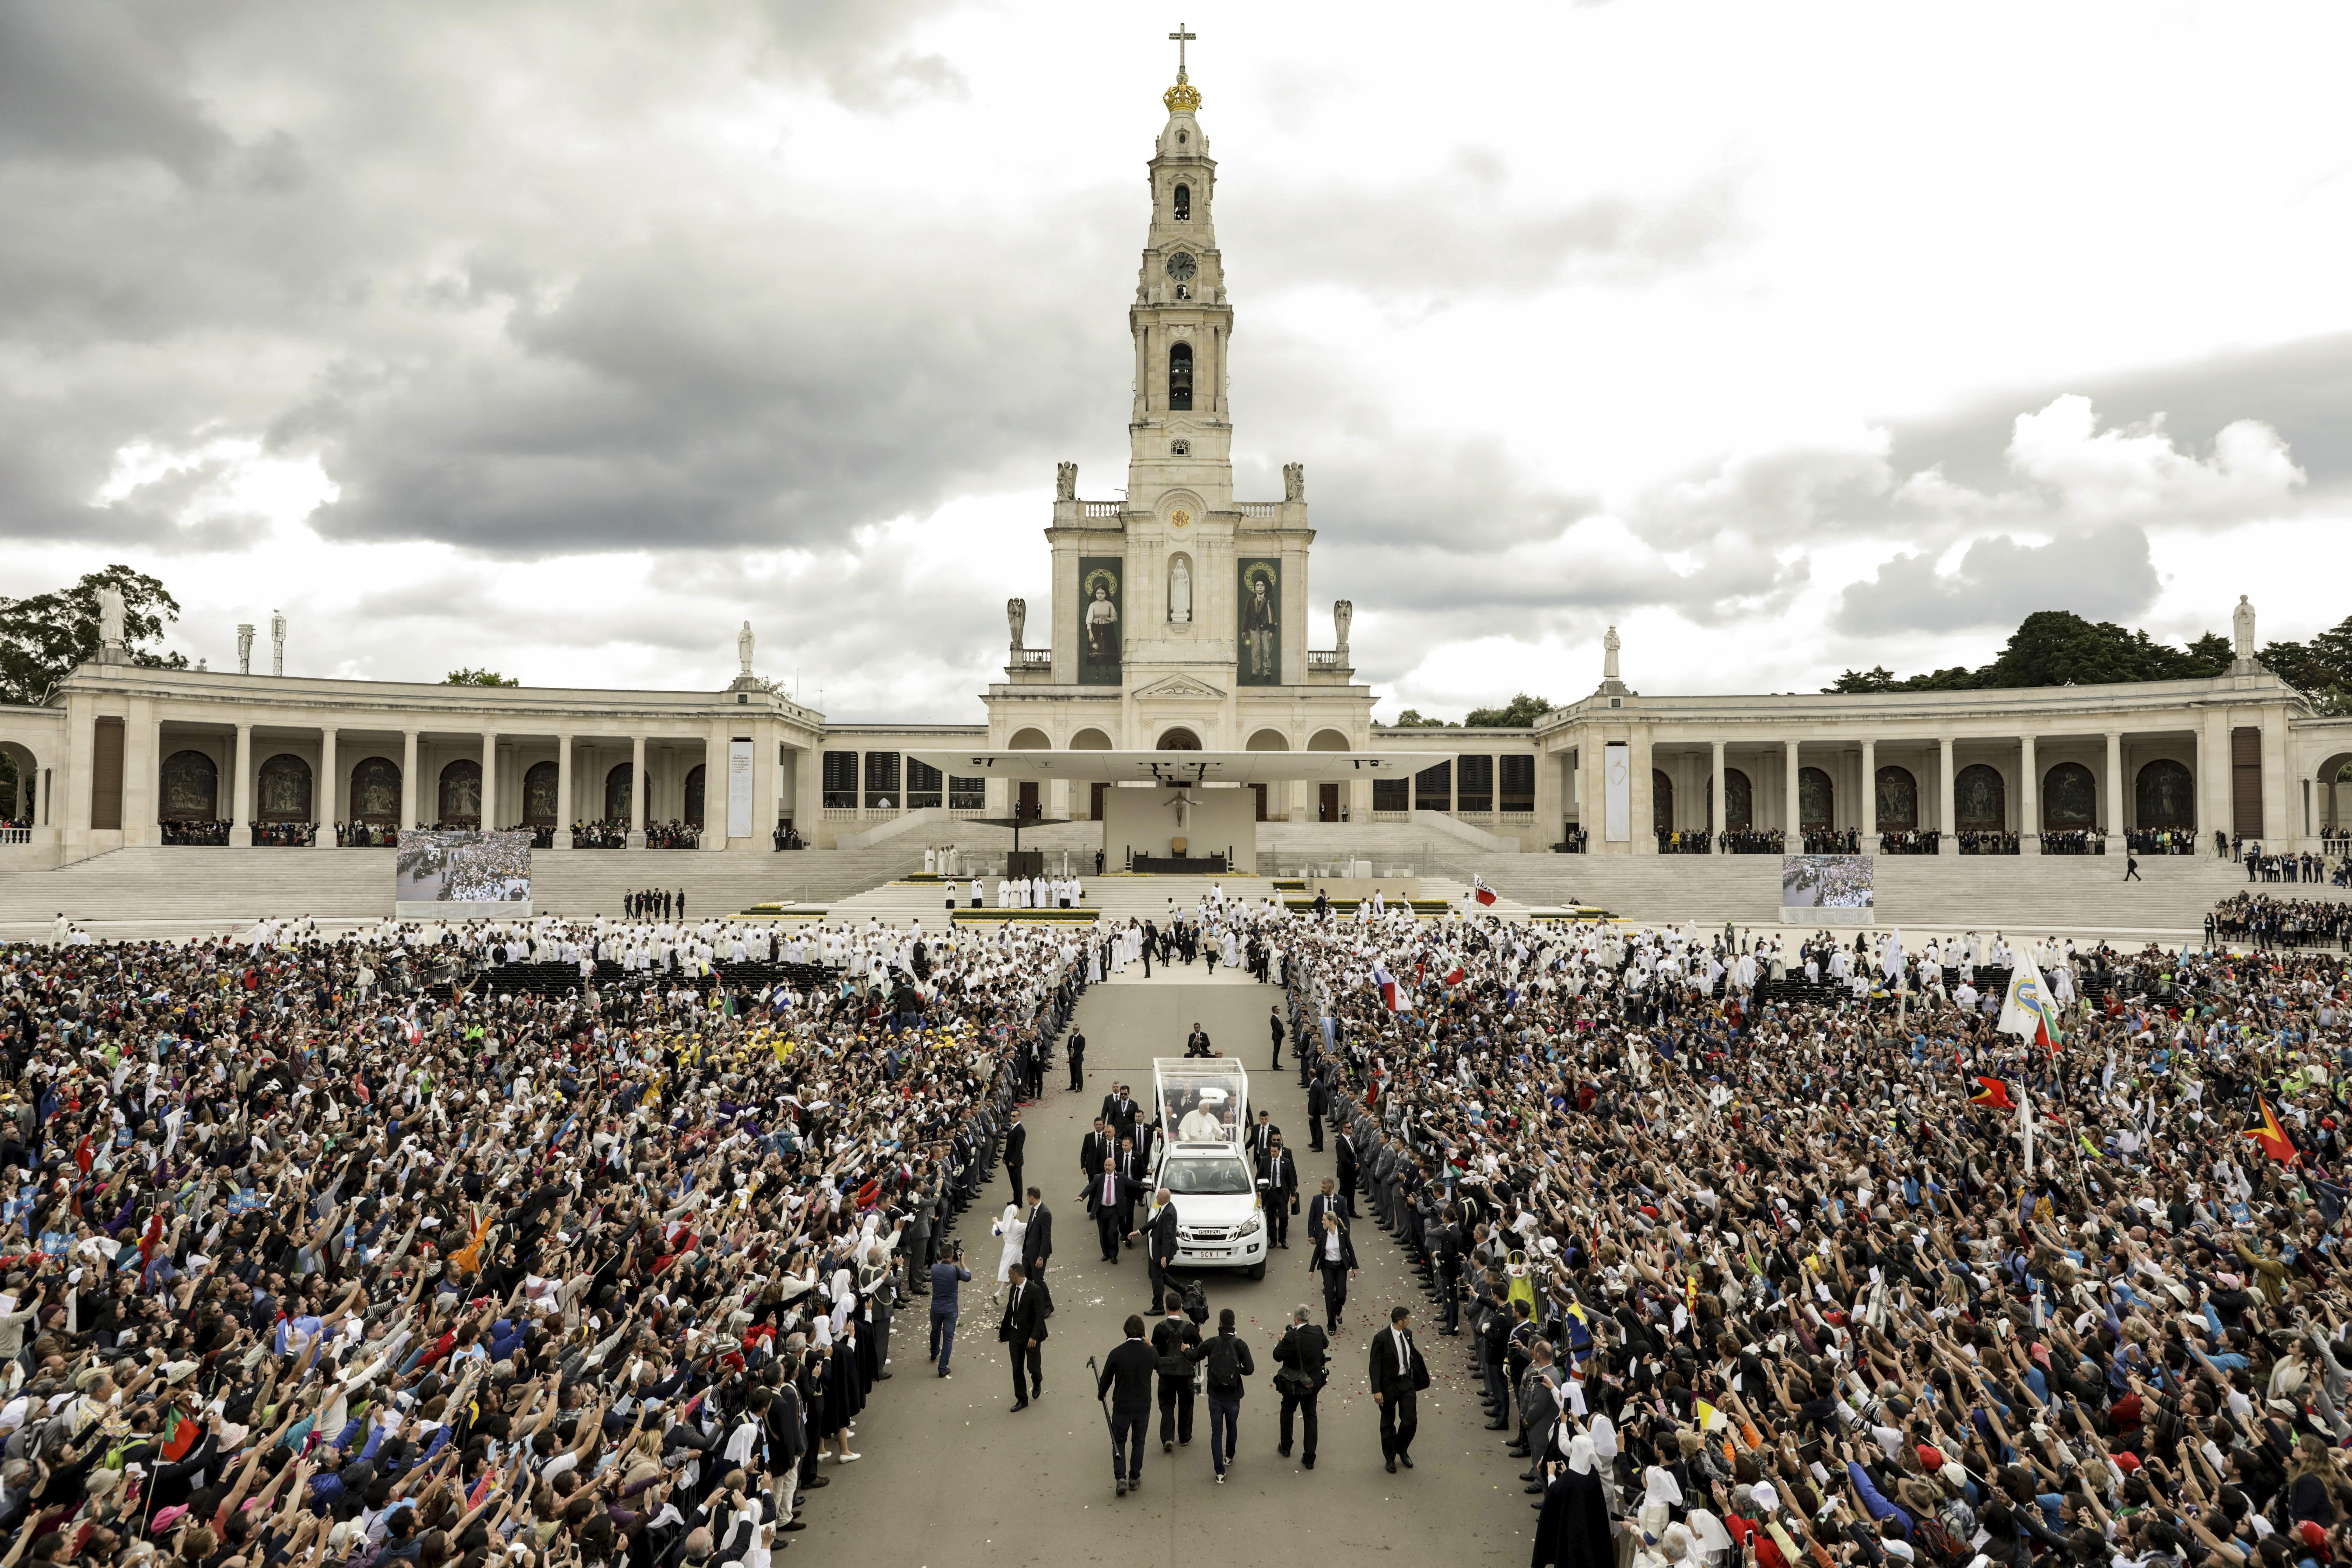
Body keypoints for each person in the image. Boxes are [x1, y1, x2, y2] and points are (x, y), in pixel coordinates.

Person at [1096, 1314, 1159, 1497]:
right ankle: (1134, 1477)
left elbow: (1106, 1379)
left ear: (1125, 1331)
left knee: (1119, 1442)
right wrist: (1150, 1345)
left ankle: (1120, 1478)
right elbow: (1160, 1365)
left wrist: (1101, 1394)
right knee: (1139, 1442)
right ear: (1143, 1332)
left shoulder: (1117, 1353)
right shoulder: (1150, 1353)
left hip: (1122, 1406)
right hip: (1143, 1406)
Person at [1198, 1307, 1255, 1484]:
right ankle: (1229, 1457)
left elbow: (1193, 1356)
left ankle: (1220, 1472)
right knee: (1232, 1426)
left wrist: (1186, 1348)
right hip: (1233, 1395)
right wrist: (1238, 1373)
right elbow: (1250, 1369)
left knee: (1217, 1432)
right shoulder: (1240, 1345)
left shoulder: (1211, 1343)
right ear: (1234, 1324)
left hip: (1215, 1395)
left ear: (1220, 1323)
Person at [1368, 1304, 1427, 1473]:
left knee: (1410, 1420)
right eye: (1408, 1320)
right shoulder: (1381, 1338)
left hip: (1406, 1383)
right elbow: (1374, 1366)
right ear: (1400, 1322)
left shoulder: (1408, 1334)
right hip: (1388, 1386)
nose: (1411, 1322)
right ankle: (1390, 1457)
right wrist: (1376, 1390)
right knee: (1388, 1423)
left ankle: (1402, 1449)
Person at [1271, 1304, 1329, 1468]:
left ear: (1296, 1319)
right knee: (1311, 1417)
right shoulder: (1318, 1331)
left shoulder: (1291, 1336)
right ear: (1308, 1317)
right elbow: (1326, 1344)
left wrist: (1282, 1341)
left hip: (1294, 1385)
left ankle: (1286, 1446)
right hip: (1312, 1384)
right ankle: (1310, 1458)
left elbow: (1277, 1356)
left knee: (1288, 1411)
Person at [1150, 1288, 1200, 1452]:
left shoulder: (1160, 1328)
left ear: (1166, 1307)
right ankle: (1185, 1437)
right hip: (1185, 1374)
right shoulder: (1190, 1328)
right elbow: (1199, 1352)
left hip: (1166, 1374)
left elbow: (1155, 1351)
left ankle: (1167, 1438)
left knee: (1167, 1406)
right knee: (1186, 1405)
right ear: (1181, 1307)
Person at [999, 1262, 1049, 1410]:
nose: (1008, 1277)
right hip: (1015, 1334)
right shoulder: (1014, 1289)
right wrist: (1003, 1332)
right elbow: (1011, 1310)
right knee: (1017, 1368)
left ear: (1016, 1275)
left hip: (1030, 1336)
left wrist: (1034, 1337)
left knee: (1033, 1366)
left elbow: (1040, 1315)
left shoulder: (1035, 1290)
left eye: (1010, 1275)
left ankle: (1037, 1379)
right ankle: (1022, 1399)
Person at [1310, 1205, 1359, 1331]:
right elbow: (1317, 1252)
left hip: (1341, 1267)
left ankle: (1338, 1311)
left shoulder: (1343, 1233)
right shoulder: (1323, 1234)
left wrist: (1354, 1267)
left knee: (1341, 1295)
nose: (1322, 1222)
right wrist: (1311, 1269)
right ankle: (1331, 1324)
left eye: (1324, 1220)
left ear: (1331, 1222)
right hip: (1328, 1267)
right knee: (1329, 1296)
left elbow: (1351, 1249)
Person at [930, 1240, 972, 1377]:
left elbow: (943, 1268)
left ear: (941, 1255)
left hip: (936, 1307)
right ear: (953, 1255)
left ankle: (934, 1352)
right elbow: (968, 1277)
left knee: (935, 1330)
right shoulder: (956, 1271)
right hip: (950, 1309)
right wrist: (962, 1262)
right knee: (948, 1338)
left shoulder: (934, 1268)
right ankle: (943, 1368)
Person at [1089, 1156, 1142, 1262]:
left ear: (1114, 1166)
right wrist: (1082, 1196)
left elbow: (1132, 1183)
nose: (1107, 1168)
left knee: (1113, 1232)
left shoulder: (1121, 1177)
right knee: (1103, 1233)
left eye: (1110, 1165)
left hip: (1114, 1210)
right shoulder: (1099, 1178)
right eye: (1106, 1165)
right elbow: (1090, 1188)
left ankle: (1114, 1255)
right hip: (1102, 1211)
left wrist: (1145, 1185)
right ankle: (1106, 1253)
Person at [1144, 1184, 1181, 1308]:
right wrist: (1139, 1232)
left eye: (1158, 1197)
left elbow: (1167, 1236)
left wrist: (1164, 1256)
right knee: (1161, 1276)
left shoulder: (1169, 1213)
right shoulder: (1164, 1208)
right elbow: (1155, 1221)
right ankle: (1185, 1292)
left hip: (1162, 1251)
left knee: (1157, 1278)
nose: (1156, 1199)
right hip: (1160, 1250)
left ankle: (1158, 1307)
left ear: (1164, 1199)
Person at [1260, 1132, 1297, 1248]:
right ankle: (1273, 1240)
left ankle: (1283, 1239)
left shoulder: (1285, 1162)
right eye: (1271, 1151)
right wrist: (1259, 1191)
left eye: (1275, 1152)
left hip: (1282, 1193)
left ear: (1279, 1151)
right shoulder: (1266, 1161)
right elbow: (1259, 1176)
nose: (1273, 1154)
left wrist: (1293, 1195)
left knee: (1283, 1217)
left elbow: (1290, 1179)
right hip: (1270, 1193)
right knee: (1271, 1218)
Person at [988, 1202, 1026, 1307]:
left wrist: (995, 1223)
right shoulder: (1020, 1226)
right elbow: (1031, 1228)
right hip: (1016, 1250)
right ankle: (1020, 1295)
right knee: (1020, 1272)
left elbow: (995, 1233)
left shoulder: (1005, 1225)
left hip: (1007, 1249)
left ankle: (999, 1293)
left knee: (1009, 1274)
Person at [1018, 1185, 1053, 1277]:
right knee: (1026, 1278)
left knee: (1038, 1280)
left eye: (1027, 1198)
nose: (1027, 1200)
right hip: (1028, 1252)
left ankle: (1044, 1293)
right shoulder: (1034, 1209)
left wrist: (1041, 1257)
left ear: (1032, 1197)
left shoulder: (1045, 1213)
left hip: (1037, 1254)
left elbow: (1046, 1236)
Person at [1001, 1106, 1026, 1203]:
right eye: (1011, 1116)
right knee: (1013, 1182)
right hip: (1009, 1158)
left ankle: (1019, 1201)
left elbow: (1019, 1148)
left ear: (1019, 1117)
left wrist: (1013, 1161)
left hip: (1015, 1161)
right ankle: (1016, 1199)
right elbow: (1009, 1145)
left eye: (1014, 1116)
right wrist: (1005, 1157)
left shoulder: (1020, 1130)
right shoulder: (1013, 1127)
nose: (1012, 1118)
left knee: (1017, 1182)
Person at [1067, 1026, 1086, 1090]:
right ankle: (1073, 1085)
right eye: (1074, 1029)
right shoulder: (1071, 1037)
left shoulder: (1082, 1039)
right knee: (1072, 1072)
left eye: (1076, 1029)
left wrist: (1074, 1055)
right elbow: (1068, 1046)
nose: (1075, 1031)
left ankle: (1080, 1087)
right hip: (1072, 1057)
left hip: (1078, 1058)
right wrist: (1070, 1054)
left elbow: (1081, 1049)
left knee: (1079, 1073)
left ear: (1079, 1030)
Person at [1268, 1004, 1286, 1068]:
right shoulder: (1274, 1019)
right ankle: (1275, 1065)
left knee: (1277, 1051)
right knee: (1276, 1051)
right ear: (1275, 1011)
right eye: (1278, 1009)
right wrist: (1283, 1033)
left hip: (1279, 1036)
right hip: (1277, 1037)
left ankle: (1276, 1063)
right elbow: (1278, 1028)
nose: (1279, 1010)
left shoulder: (1276, 1018)